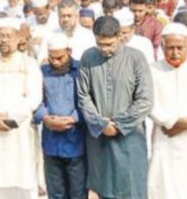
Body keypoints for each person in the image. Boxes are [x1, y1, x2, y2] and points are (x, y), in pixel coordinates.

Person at [77, 16, 153, 199]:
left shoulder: (136, 58)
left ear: (120, 36)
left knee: (132, 187)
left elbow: (145, 99)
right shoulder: (88, 57)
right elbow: (83, 96)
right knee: (104, 188)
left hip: (130, 136)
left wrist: (118, 125)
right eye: (100, 44)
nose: (104, 49)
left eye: (109, 44)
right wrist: (100, 124)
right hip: (99, 137)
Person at [0, 17, 43, 199]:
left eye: (8, 36)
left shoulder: (28, 63)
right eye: (1, 36)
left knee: (24, 179)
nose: (4, 40)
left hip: (20, 129)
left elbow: (34, 97)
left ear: (18, 38)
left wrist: (12, 117)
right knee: (1, 182)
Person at [32, 33, 87, 199]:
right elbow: (34, 101)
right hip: (51, 143)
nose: (55, 62)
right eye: (52, 58)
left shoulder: (82, 70)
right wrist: (45, 117)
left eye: (60, 58)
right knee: (56, 193)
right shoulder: (42, 72)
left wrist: (73, 118)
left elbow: (89, 102)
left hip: (76, 142)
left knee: (78, 193)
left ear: (69, 51)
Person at [147, 23, 187, 198]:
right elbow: (148, 103)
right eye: (170, 48)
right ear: (162, 47)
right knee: (162, 185)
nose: (175, 52)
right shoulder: (152, 70)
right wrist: (170, 122)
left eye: (180, 47)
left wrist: (185, 124)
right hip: (164, 135)